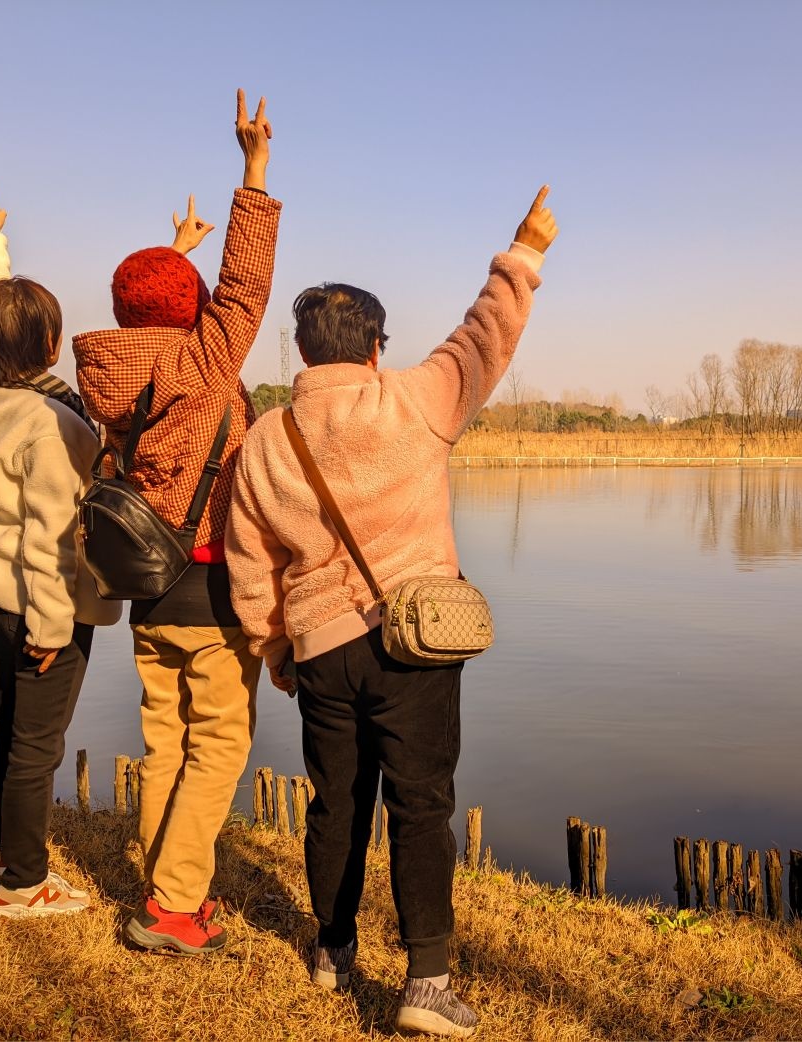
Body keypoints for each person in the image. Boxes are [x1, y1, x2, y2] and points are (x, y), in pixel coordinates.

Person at [225, 186, 558, 1037]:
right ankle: (426, 984)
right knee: (421, 806)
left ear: (301, 350)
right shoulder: (413, 400)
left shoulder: (265, 438)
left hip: (322, 651)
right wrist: (522, 252)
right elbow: (486, 335)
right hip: (416, 645)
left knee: (335, 803)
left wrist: (276, 652)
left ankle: (333, 948)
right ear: (376, 346)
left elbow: (249, 564)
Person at [71, 88, 279, 956]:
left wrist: (171, 258)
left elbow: (153, 302)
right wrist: (253, 169)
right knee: (218, 747)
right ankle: (171, 909)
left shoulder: (109, 367)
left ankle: (169, 884)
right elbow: (246, 286)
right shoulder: (202, 355)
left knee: (166, 742)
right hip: (210, 582)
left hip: (147, 588)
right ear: (190, 310)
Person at [0, 179, 121, 919]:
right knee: (35, 748)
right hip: (38, 610)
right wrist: (51, 631)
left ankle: (14, 860)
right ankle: (22, 885)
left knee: (8, 729)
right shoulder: (53, 428)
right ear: (49, 344)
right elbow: (51, 546)